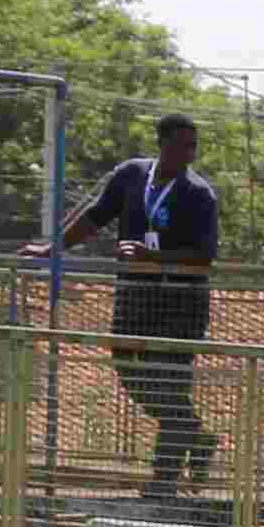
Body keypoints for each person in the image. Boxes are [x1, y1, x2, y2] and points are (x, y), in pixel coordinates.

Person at [72, 114, 224, 500]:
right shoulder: (130, 175)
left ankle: (164, 480)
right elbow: (95, 216)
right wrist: (52, 247)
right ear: (163, 143)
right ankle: (196, 435)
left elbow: (204, 257)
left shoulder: (199, 194)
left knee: (170, 383)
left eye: (194, 147)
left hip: (180, 305)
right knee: (128, 367)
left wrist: (152, 257)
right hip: (134, 299)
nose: (189, 154)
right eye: (182, 146)